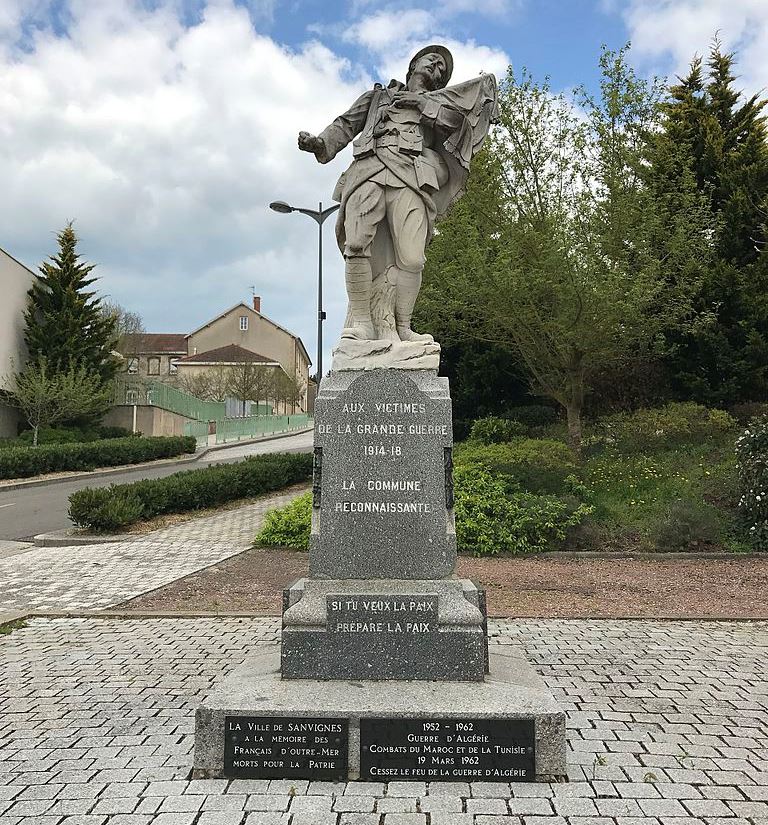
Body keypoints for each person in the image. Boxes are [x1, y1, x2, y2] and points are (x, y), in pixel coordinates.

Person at [298, 45, 498, 346]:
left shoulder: (438, 104)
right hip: (370, 169)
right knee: (355, 244)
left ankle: (403, 327)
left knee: (413, 259)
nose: (437, 68)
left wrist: (420, 104)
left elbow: (456, 127)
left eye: (442, 68)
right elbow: (346, 124)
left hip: (411, 178)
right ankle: (363, 325)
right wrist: (320, 143)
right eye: (433, 60)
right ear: (414, 63)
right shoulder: (378, 97)